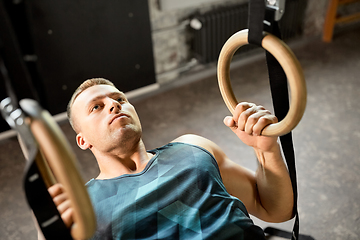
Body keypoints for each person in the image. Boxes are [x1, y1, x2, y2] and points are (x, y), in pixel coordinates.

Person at [47, 78, 294, 239]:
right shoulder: (82, 205)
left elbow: (275, 210)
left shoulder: (192, 148)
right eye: (96, 107)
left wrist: (266, 149)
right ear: (83, 141)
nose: (114, 105)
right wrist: (45, 228)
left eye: (120, 98)